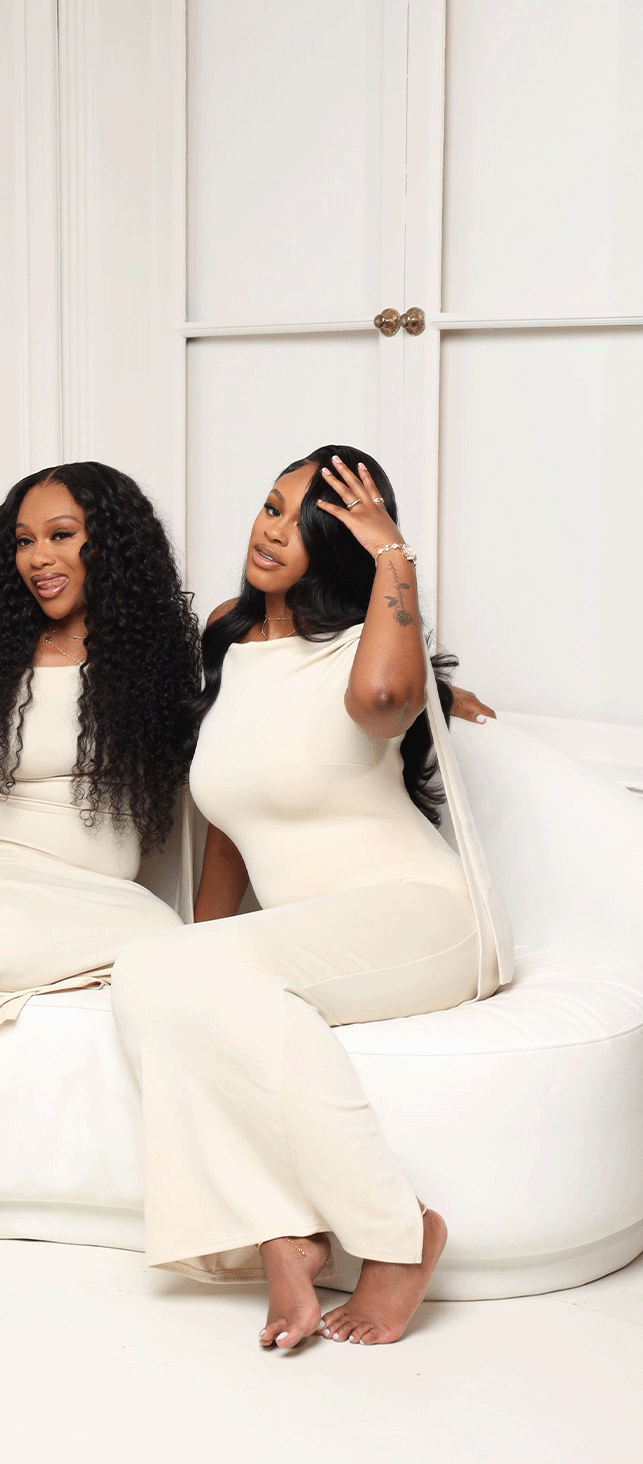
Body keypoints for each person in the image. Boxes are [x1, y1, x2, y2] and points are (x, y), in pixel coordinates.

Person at [111, 446, 513, 1349]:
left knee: (176, 970)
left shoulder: (368, 643)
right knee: (149, 970)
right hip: (315, 933)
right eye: (269, 506)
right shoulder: (227, 635)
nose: (271, 531)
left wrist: (392, 555)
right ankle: (282, 1231)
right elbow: (230, 820)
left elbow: (385, 698)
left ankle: (400, 1238)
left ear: (340, 546)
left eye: (305, 522)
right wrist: (196, 954)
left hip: (423, 917)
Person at [0, 462, 202, 1035]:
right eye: (24, 541)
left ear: (113, 543)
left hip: (98, 897)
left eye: (61, 535)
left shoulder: (158, 660)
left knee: (164, 939)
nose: (38, 558)